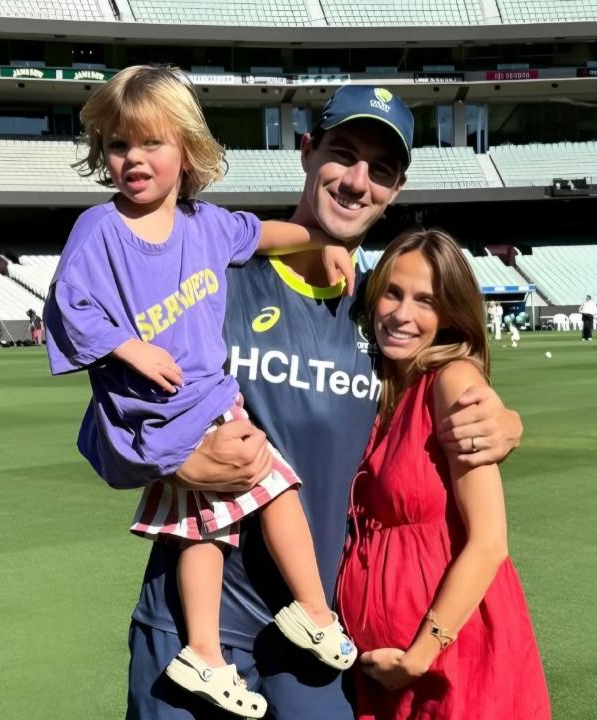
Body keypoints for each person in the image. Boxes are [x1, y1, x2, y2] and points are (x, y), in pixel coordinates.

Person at [117, 83, 523, 720]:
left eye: (381, 170)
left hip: (318, 636)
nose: (359, 182)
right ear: (306, 152)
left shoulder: (383, 315)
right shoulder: (215, 278)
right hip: (195, 628)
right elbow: (107, 424)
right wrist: (173, 461)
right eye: (343, 154)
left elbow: (438, 399)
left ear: (396, 190)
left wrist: (502, 418)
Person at [44, 64, 360, 717]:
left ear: (188, 149)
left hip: (212, 403)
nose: (132, 158)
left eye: (151, 142)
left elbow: (263, 233)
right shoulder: (100, 231)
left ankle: (209, 653)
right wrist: (128, 346)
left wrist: (323, 237)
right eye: (118, 144)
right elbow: (70, 307)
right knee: (272, 489)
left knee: (205, 530)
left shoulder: (206, 226)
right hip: (165, 418)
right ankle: (313, 613)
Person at [338, 229, 549, 719]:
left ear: (449, 314)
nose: (402, 313)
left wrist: (418, 658)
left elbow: (490, 542)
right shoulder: (375, 385)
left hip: (451, 663)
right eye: (392, 292)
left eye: (425, 300)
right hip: (381, 673)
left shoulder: (452, 381)